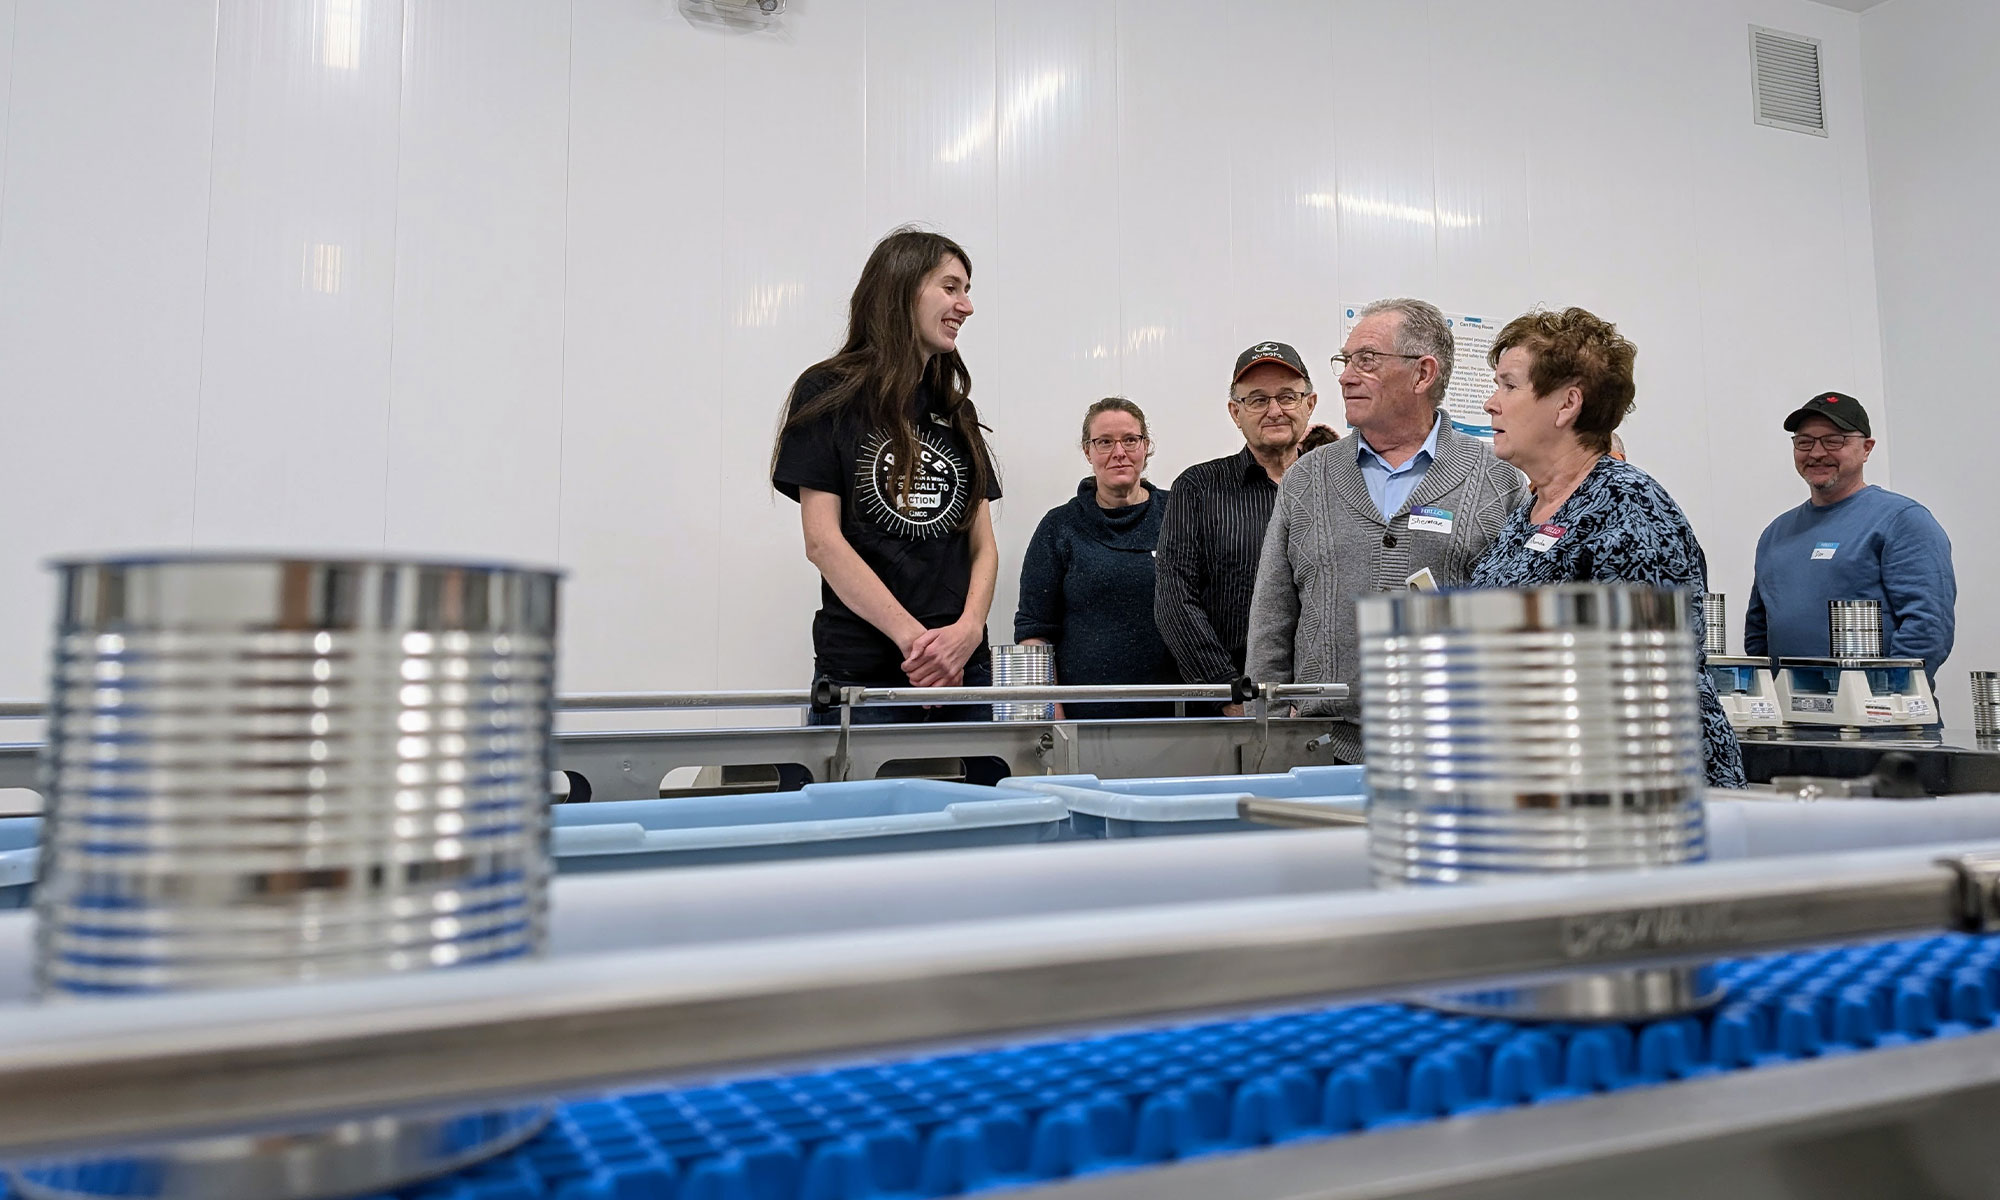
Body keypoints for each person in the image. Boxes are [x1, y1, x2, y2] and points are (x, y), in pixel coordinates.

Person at [1468, 307, 1746, 788]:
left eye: (1508, 386)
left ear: (1566, 405)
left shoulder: (1629, 508)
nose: (1492, 403)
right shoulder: (1531, 510)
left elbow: (1641, 678)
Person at [1247, 298, 1526, 761]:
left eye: (1367, 360)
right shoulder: (1308, 477)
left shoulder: (1497, 480)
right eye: (1346, 360)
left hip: (1451, 758)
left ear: (1423, 374)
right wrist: (1270, 718)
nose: (1345, 375)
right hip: (1319, 752)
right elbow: (1273, 612)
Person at [771, 228, 1000, 724]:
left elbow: (982, 543)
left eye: (967, 290)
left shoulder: (956, 410)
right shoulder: (827, 391)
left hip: (961, 669)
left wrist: (968, 632)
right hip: (866, 673)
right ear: (902, 288)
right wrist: (919, 646)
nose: (967, 306)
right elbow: (822, 542)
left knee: (986, 802)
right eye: (951, 287)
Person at [1744, 392, 1954, 684]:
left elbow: (1928, 628)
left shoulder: (1902, 520)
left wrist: (1882, 700)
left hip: (1883, 725)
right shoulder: (1776, 533)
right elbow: (1759, 631)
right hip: (1794, 721)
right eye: (1804, 442)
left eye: (1834, 440)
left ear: (1866, 448)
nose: (1817, 453)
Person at [1154, 341, 1318, 714]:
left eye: (1288, 397)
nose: (1274, 410)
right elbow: (1174, 601)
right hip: (1228, 716)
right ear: (1235, 412)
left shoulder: (1336, 486)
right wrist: (1229, 696)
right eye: (1257, 400)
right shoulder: (1197, 488)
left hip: (1321, 712)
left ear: (1310, 404)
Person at [1014, 398, 1178, 719]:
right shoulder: (1059, 527)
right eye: (1104, 442)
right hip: (1083, 719)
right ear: (1088, 452)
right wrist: (1050, 716)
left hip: (1176, 714)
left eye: (1130, 440)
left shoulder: (1179, 514)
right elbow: (1033, 632)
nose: (1119, 452)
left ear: (1146, 446)